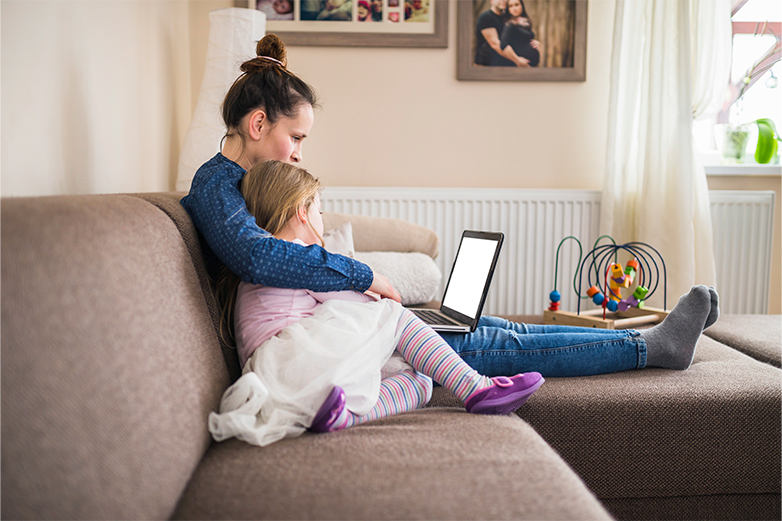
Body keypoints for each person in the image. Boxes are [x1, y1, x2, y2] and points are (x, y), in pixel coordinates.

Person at [207, 160, 546, 446]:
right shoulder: (299, 258)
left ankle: (344, 415)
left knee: (419, 379)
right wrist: (375, 292)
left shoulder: (248, 269)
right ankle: (475, 387)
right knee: (393, 315)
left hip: (281, 385)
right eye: (319, 210)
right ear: (302, 212)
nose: (322, 219)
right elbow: (360, 303)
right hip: (300, 362)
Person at [181, 34, 401, 318]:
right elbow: (256, 256)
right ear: (258, 124)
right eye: (295, 137)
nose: (299, 155)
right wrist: (364, 275)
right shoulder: (216, 184)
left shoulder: (252, 183)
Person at [493, 0, 540, 67]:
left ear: (522, 6)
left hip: (530, 65)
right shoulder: (509, 24)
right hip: (518, 65)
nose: (514, 8)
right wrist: (518, 60)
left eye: (516, 5)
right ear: (508, 9)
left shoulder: (525, 22)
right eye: (510, 6)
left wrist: (536, 43)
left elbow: (523, 41)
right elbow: (503, 45)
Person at [475, 0, 520, 67]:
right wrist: (518, 60)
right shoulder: (486, 17)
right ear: (491, 1)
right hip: (485, 65)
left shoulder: (505, 18)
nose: (504, 0)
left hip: (501, 64)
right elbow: (495, 44)